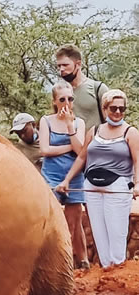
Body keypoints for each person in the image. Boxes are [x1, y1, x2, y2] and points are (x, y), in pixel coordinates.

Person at [58, 89, 139, 270]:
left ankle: (117, 272)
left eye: (121, 108)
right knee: (99, 233)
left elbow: (137, 160)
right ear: (105, 109)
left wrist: (137, 183)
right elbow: (82, 157)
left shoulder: (130, 132)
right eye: (113, 108)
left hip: (118, 184)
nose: (117, 112)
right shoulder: (94, 131)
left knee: (116, 232)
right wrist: (67, 180)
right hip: (92, 185)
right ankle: (105, 271)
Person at [40, 80, 88, 269]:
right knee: (50, 219)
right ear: (55, 102)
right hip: (51, 175)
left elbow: (80, 153)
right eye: (62, 99)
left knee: (73, 223)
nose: (66, 103)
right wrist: (71, 146)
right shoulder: (46, 121)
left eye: (70, 98)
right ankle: (53, 261)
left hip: (74, 174)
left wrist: (70, 126)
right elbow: (45, 150)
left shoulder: (79, 122)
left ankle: (79, 262)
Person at [55, 44, 108, 134]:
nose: (61, 69)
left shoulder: (98, 89)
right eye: (59, 66)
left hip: (95, 145)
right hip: (68, 145)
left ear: (78, 64)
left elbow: (111, 122)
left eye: (65, 65)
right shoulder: (60, 93)